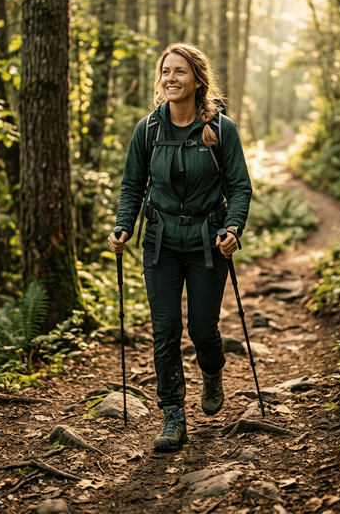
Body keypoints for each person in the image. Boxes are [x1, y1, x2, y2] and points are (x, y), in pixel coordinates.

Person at [108, 42, 252, 452]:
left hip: (208, 242)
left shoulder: (221, 129)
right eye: (166, 71)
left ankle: (212, 370)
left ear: (197, 80)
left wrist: (233, 227)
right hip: (161, 243)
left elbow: (239, 187)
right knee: (165, 331)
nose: (171, 78)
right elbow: (132, 185)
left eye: (180, 72)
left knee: (202, 329)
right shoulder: (148, 130)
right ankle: (172, 413)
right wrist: (123, 226)